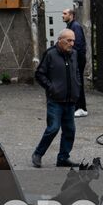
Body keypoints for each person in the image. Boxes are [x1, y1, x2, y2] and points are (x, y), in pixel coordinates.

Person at [32, 28, 82, 168]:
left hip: (70, 100)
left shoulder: (74, 54)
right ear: (60, 41)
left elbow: (76, 72)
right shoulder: (50, 54)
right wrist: (51, 88)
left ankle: (63, 158)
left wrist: (77, 87)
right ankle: (38, 154)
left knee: (70, 130)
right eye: (69, 40)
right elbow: (39, 74)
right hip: (55, 100)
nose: (72, 43)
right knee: (53, 128)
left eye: (73, 40)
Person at [63, 7, 90, 118]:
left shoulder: (76, 27)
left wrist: (72, 58)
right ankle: (78, 107)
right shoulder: (71, 26)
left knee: (77, 82)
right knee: (76, 82)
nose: (62, 15)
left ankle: (81, 108)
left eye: (65, 13)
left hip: (77, 59)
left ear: (71, 15)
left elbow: (77, 45)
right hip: (75, 58)